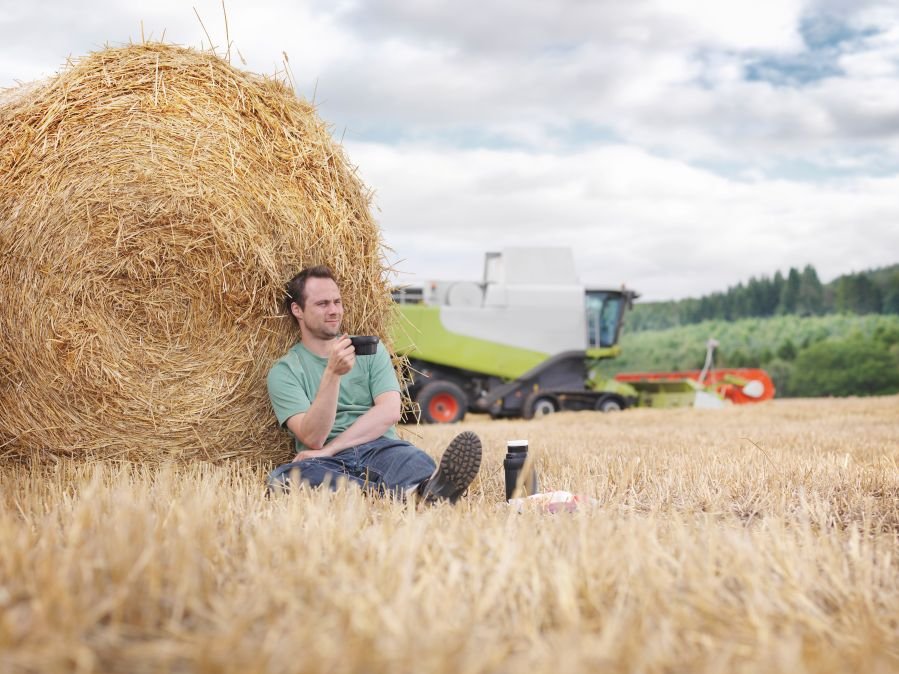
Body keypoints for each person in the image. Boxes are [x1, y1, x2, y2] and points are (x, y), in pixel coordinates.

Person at [266, 265, 481, 502]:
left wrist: (332, 447)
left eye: (337, 302)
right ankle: (409, 495)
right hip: (325, 463)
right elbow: (314, 438)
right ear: (297, 309)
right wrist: (332, 375)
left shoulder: (370, 350)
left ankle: (378, 493)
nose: (334, 310)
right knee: (285, 478)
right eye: (322, 304)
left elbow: (389, 412)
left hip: (380, 448)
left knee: (415, 461)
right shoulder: (284, 372)